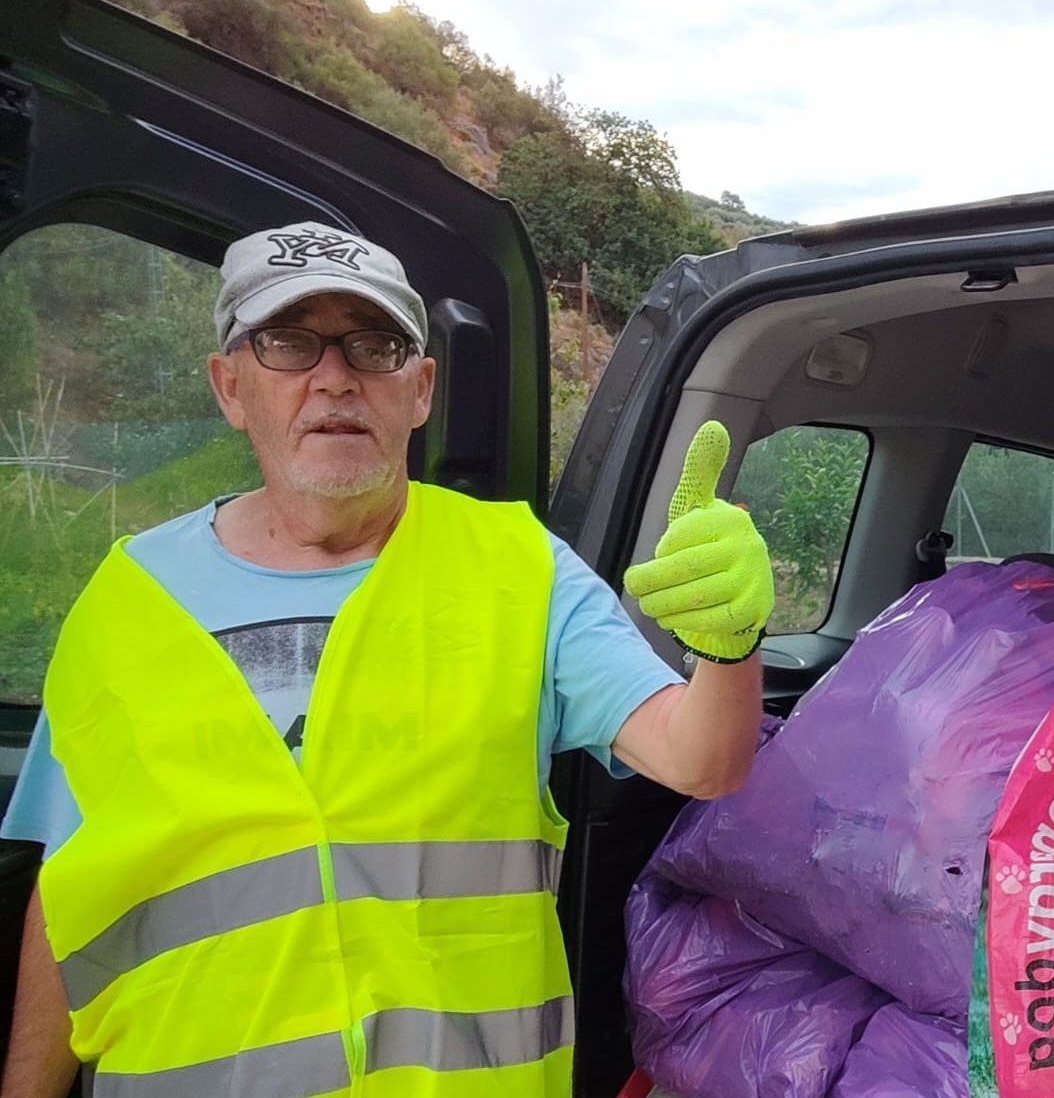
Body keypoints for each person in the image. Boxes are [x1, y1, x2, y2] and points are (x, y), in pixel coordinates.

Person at [0, 222, 774, 1096]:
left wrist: (730, 644)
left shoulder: (519, 567)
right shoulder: (126, 600)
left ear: (420, 390)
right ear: (230, 385)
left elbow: (702, 761)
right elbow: (69, 894)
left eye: (376, 345)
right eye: (288, 342)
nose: (335, 377)